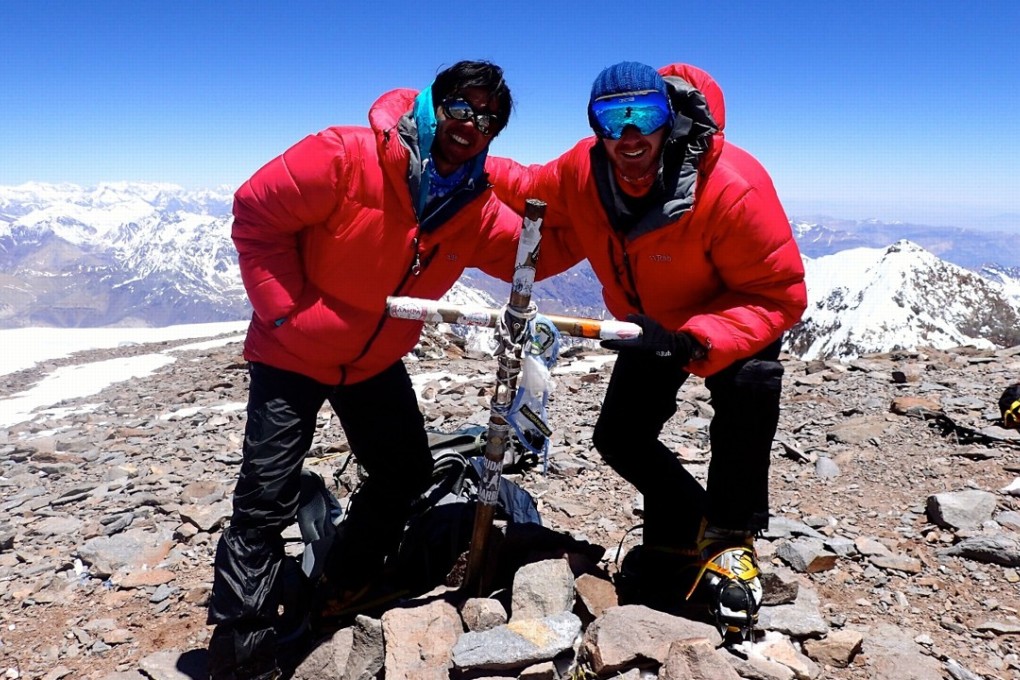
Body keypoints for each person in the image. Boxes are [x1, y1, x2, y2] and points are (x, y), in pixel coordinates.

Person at [207, 60, 529, 680]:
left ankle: (343, 582)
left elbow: (542, 247)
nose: (473, 123)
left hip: (373, 360)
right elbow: (254, 212)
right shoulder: (342, 156)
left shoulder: (474, 203)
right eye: (462, 106)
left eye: (489, 117)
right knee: (264, 497)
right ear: (433, 105)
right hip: (291, 352)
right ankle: (240, 648)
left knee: (404, 469)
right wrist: (286, 315)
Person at [487, 61, 807, 637]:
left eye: (646, 115)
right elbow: (524, 182)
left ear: (671, 118)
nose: (631, 134)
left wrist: (695, 341)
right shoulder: (581, 173)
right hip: (650, 323)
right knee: (620, 437)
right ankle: (685, 521)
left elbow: (778, 294)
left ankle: (730, 537)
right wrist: (457, 154)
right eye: (615, 118)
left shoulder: (731, 184)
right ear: (596, 126)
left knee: (748, 387)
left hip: (730, 317)